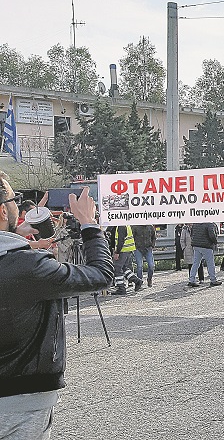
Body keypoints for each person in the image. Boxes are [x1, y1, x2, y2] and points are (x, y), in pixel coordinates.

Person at [0, 185, 112, 440]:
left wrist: (18, 241)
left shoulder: (25, 261)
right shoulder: (29, 267)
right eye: (15, 199)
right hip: (22, 400)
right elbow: (102, 275)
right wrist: (90, 224)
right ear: (2, 212)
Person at [109, 224, 141, 295]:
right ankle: (136, 280)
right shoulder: (125, 224)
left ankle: (121, 288)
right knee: (123, 268)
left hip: (123, 250)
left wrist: (117, 252)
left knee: (117, 268)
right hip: (128, 249)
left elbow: (121, 240)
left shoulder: (121, 226)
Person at [188, 222, 220, 288]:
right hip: (206, 246)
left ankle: (191, 280)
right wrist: (215, 242)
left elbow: (191, 234)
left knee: (195, 263)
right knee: (210, 263)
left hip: (196, 245)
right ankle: (213, 280)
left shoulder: (195, 223)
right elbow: (212, 235)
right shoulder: (209, 224)